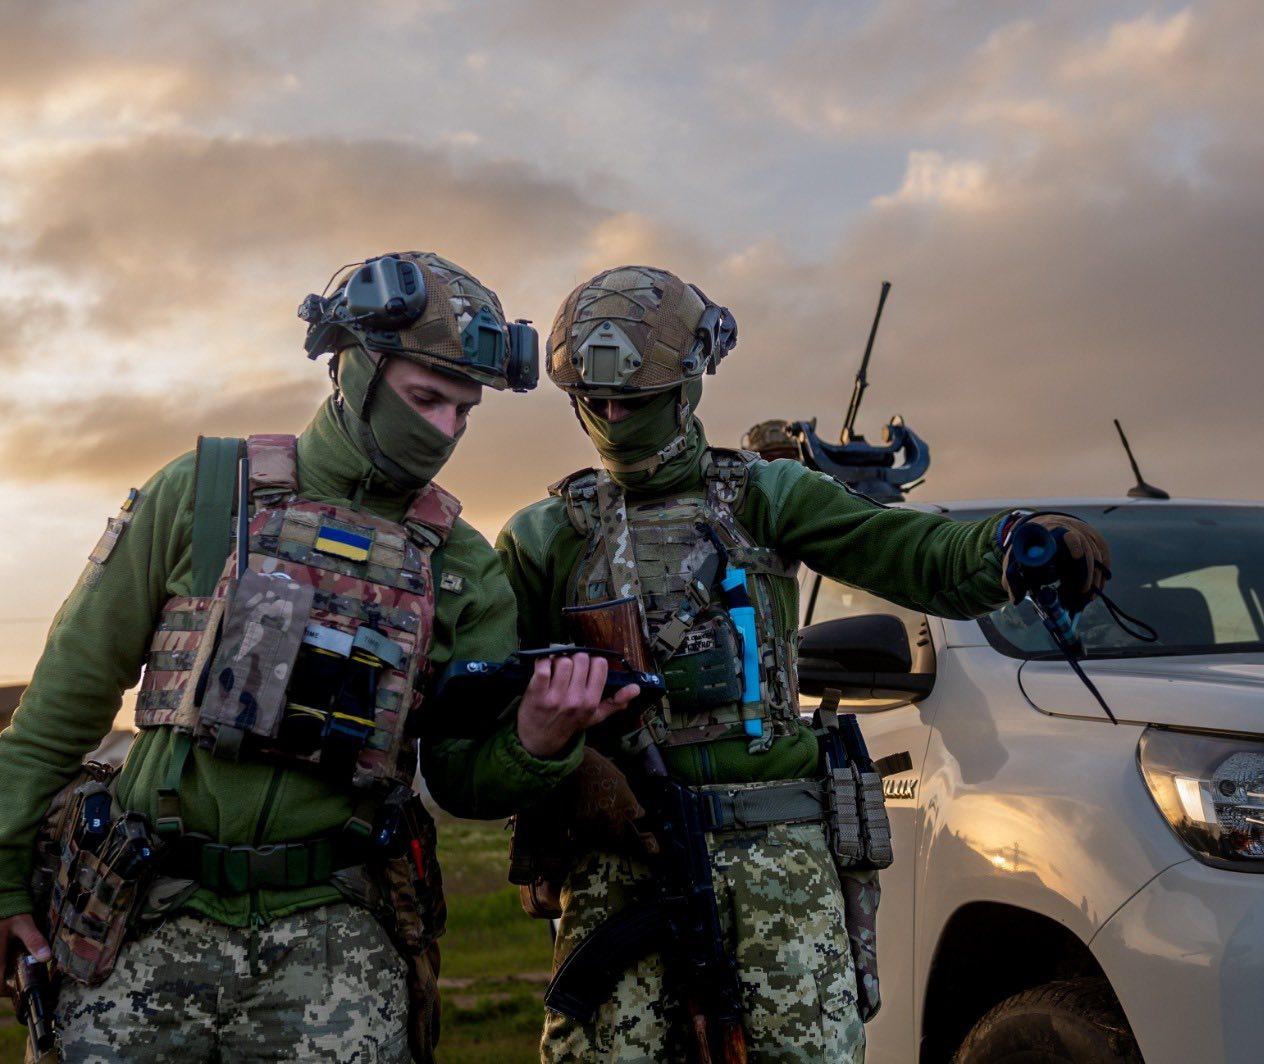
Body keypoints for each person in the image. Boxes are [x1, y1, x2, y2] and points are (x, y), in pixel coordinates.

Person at [0, 251, 633, 1062]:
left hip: (334, 946)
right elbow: (63, 704)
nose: (445, 432)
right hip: (141, 922)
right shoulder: (203, 492)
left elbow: (465, 779)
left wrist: (540, 742)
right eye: (425, 399)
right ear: (355, 372)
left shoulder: (463, 565)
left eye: (465, 412)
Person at [495, 264, 1108, 1062]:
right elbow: (492, 705)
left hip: (776, 859)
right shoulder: (548, 536)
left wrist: (1008, 548)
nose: (613, 418)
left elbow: (904, 549)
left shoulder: (764, 497)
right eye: (594, 402)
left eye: (633, 401)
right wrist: (571, 775)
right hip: (621, 859)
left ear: (688, 385)